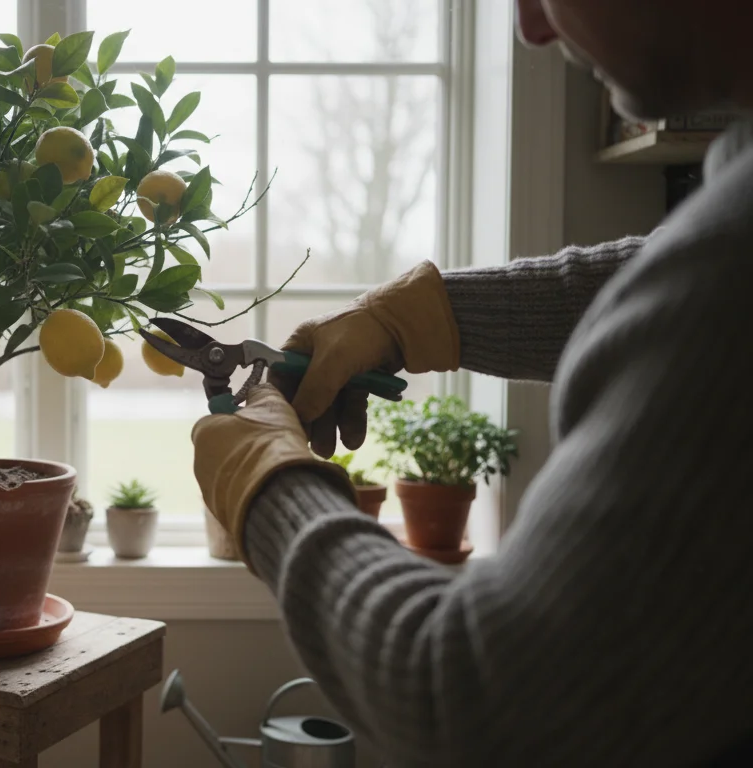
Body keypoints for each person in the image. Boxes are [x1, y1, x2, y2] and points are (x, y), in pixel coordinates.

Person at [191, 1, 753, 765]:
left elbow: (471, 698)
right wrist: (423, 315)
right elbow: (667, 270)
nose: (530, 29)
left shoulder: (728, 276)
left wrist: (267, 487)